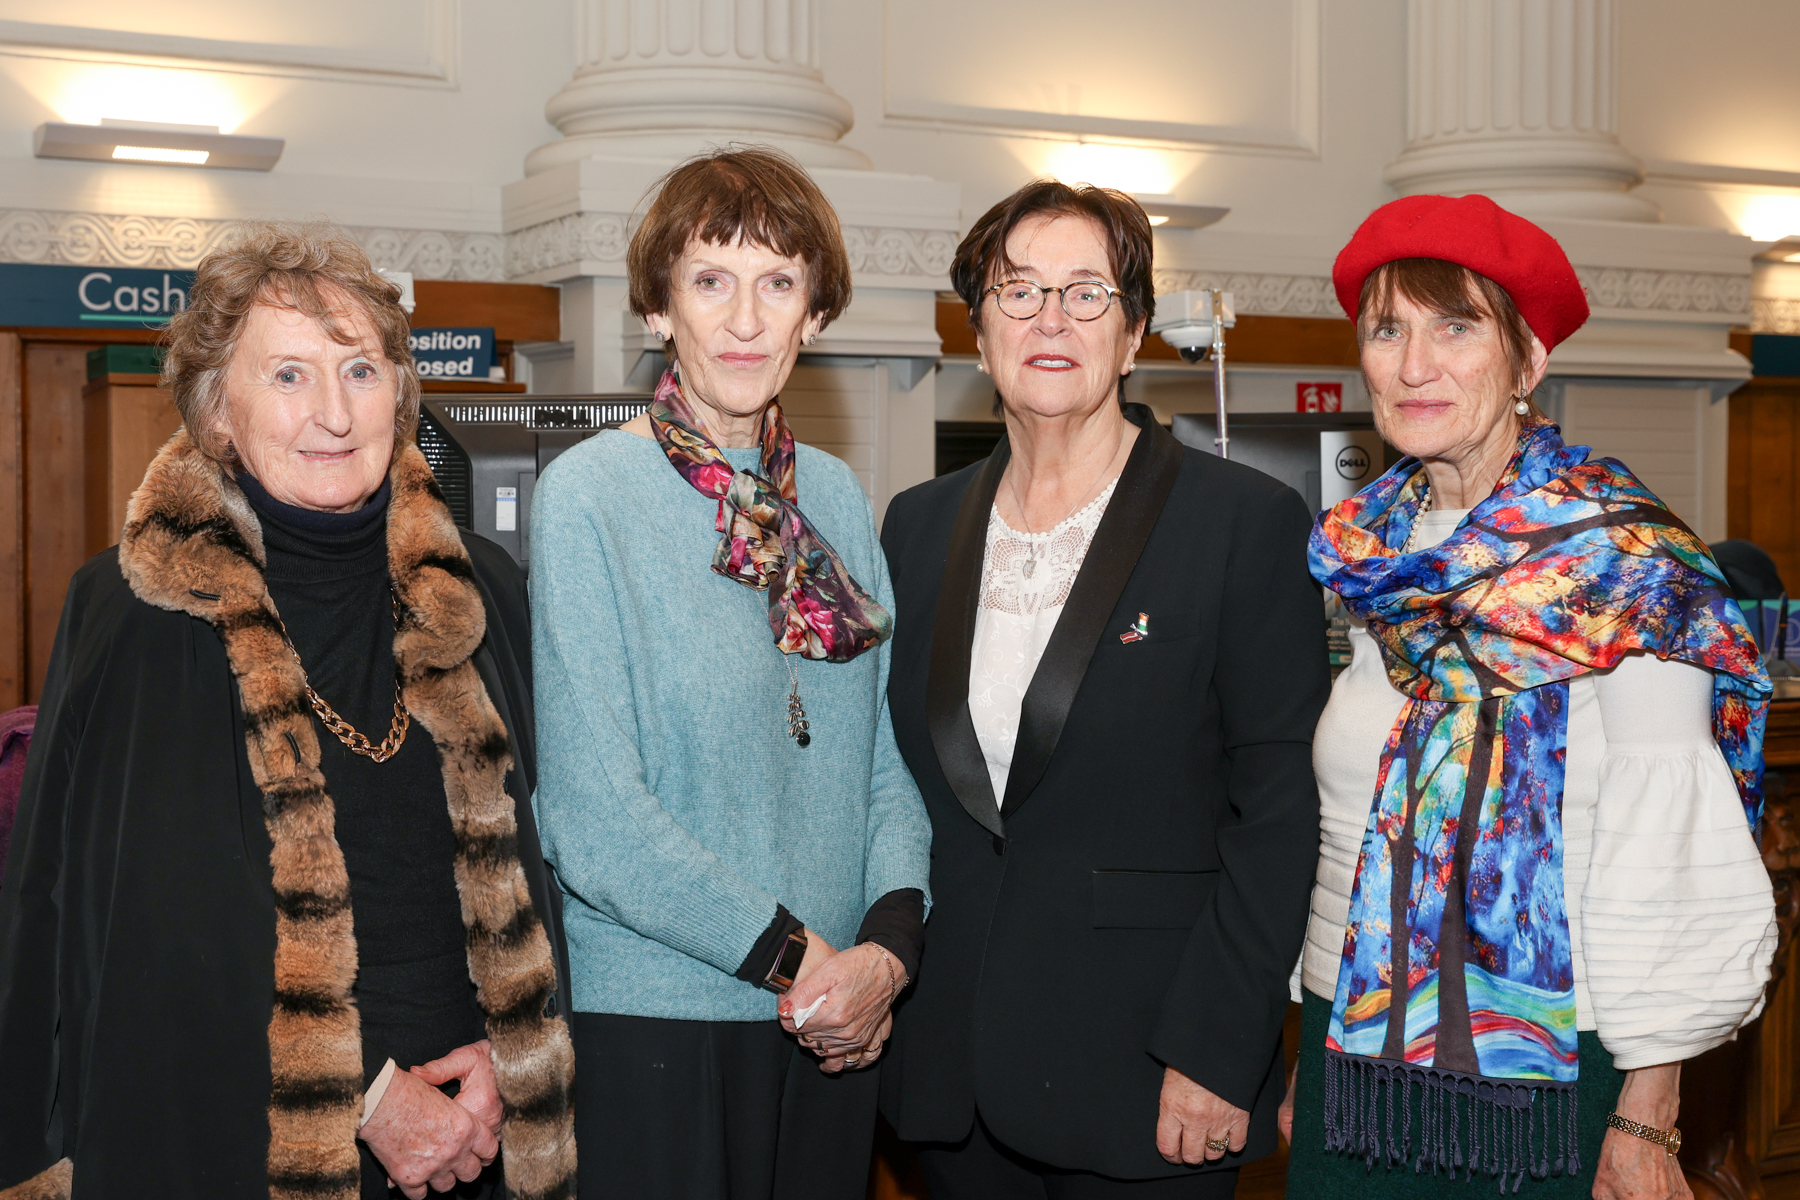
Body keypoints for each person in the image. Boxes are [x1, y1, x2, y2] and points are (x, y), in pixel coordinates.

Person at [0, 223, 575, 1200]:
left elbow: (550, 865)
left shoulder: (483, 594)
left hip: (486, 1138)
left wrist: (506, 1061)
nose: (334, 414)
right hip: (250, 1144)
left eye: (360, 370)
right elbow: (149, 943)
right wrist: (371, 1096)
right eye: (288, 376)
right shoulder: (138, 610)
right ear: (218, 410)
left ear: (403, 389)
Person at [1283, 194, 1777, 1199]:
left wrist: (1649, 1115)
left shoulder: (1626, 565)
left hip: (1562, 1069)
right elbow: (1350, 832)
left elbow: (1668, 852)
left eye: (1455, 325)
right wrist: (1311, 1049)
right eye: (1389, 329)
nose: (1415, 362)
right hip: (1360, 1051)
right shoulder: (1374, 557)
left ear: (1528, 360)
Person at [877, 179, 1329, 1197]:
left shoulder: (1242, 524)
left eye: (1087, 293)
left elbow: (1280, 811)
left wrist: (1219, 1047)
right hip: (951, 1073)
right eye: (1019, 291)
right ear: (978, 332)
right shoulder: (914, 525)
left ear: (1131, 338)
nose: (1050, 318)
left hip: (1154, 1074)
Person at [529, 146, 933, 1199]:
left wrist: (884, 957)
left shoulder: (839, 502)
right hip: (660, 1020)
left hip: (835, 1022)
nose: (746, 320)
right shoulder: (589, 498)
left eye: (779, 283)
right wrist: (809, 965)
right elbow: (594, 817)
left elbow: (884, 769)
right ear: (661, 310)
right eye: (711, 281)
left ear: (817, 314)